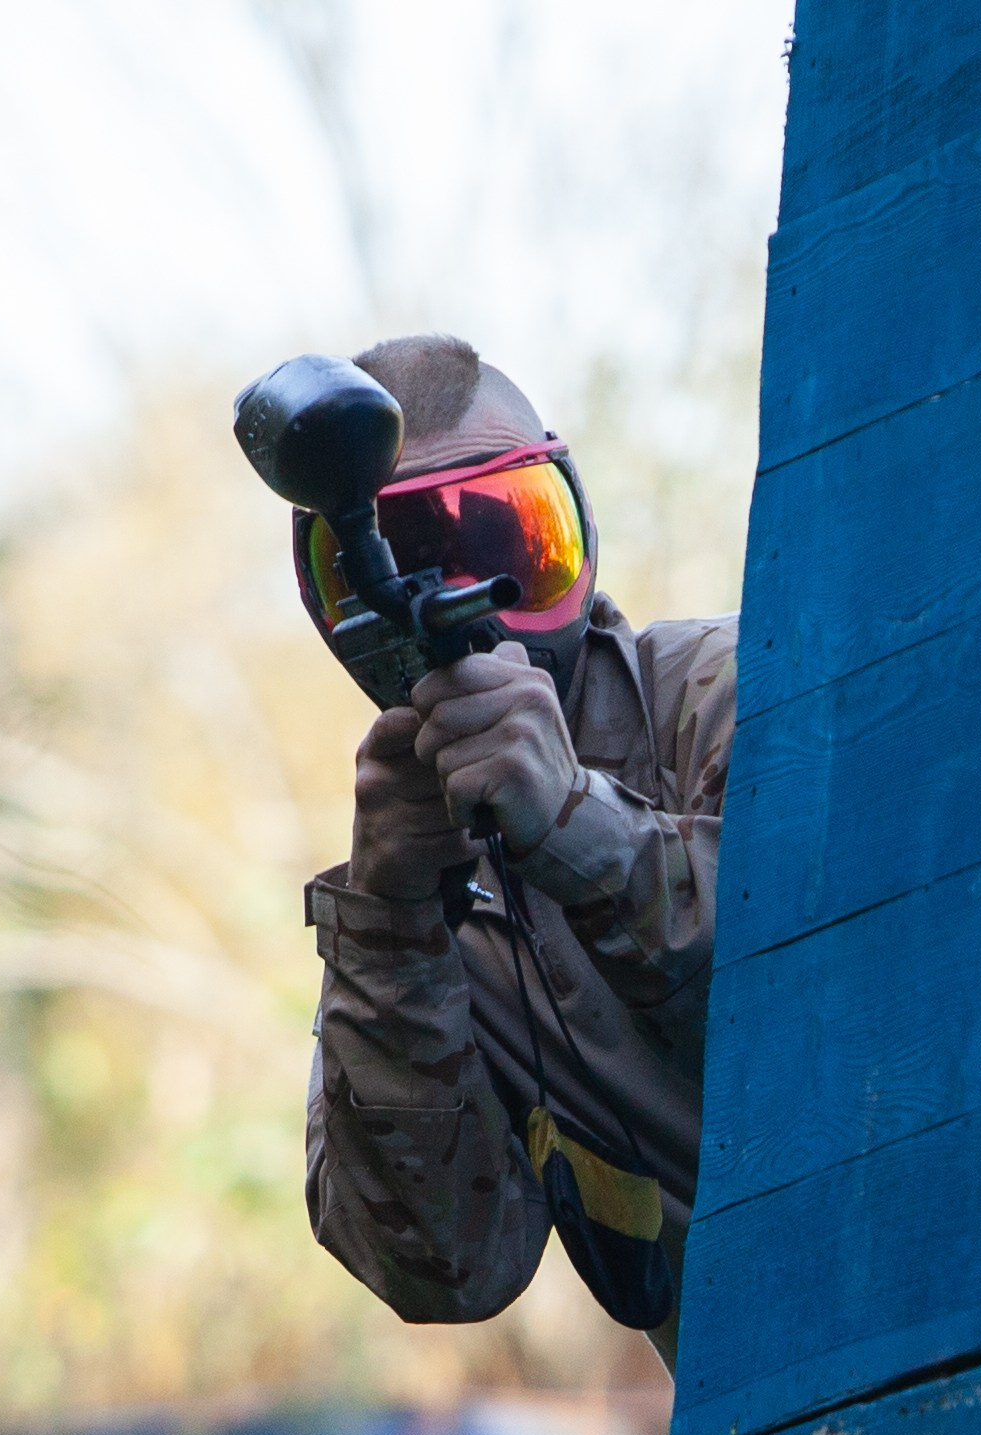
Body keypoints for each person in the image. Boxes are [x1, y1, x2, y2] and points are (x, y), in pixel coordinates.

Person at [299, 333, 738, 1368]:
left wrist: (571, 824)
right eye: (397, 557)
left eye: (509, 540)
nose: (465, 606)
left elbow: (838, 1002)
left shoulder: (727, 693)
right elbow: (444, 1267)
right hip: (752, 1425)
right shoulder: (413, 891)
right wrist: (389, 923)